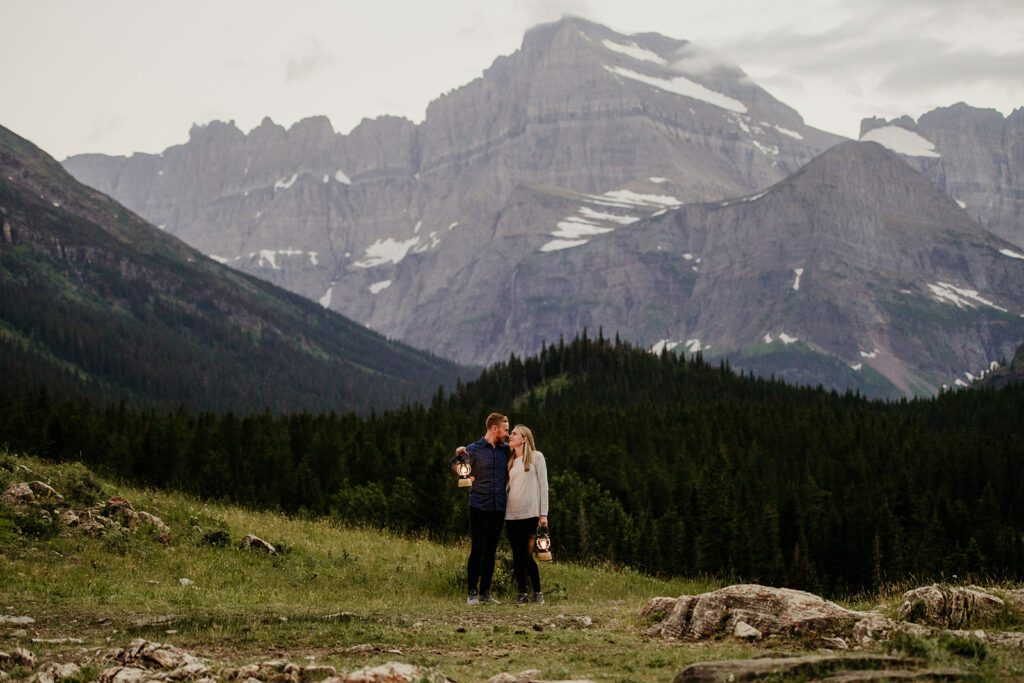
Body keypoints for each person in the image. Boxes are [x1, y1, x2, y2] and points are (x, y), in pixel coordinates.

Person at [449, 412, 509, 605]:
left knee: (491, 550)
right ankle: (472, 593)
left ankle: (485, 592)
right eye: (505, 429)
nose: (507, 434)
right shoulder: (472, 450)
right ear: (494, 428)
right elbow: (453, 465)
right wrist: (463, 472)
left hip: (499, 506)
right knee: (478, 549)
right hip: (478, 505)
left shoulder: (505, 450)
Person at [504, 424, 549, 604]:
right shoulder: (510, 460)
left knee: (526, 554)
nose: (511, 436)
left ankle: (537, 592)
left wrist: (543, 514)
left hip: (530, 514)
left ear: (524, 438)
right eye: (511, 433)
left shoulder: (536, 457)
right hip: (511, 515)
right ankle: (522, 593)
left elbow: (543, 485)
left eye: (515, 434)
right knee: (516, 555)